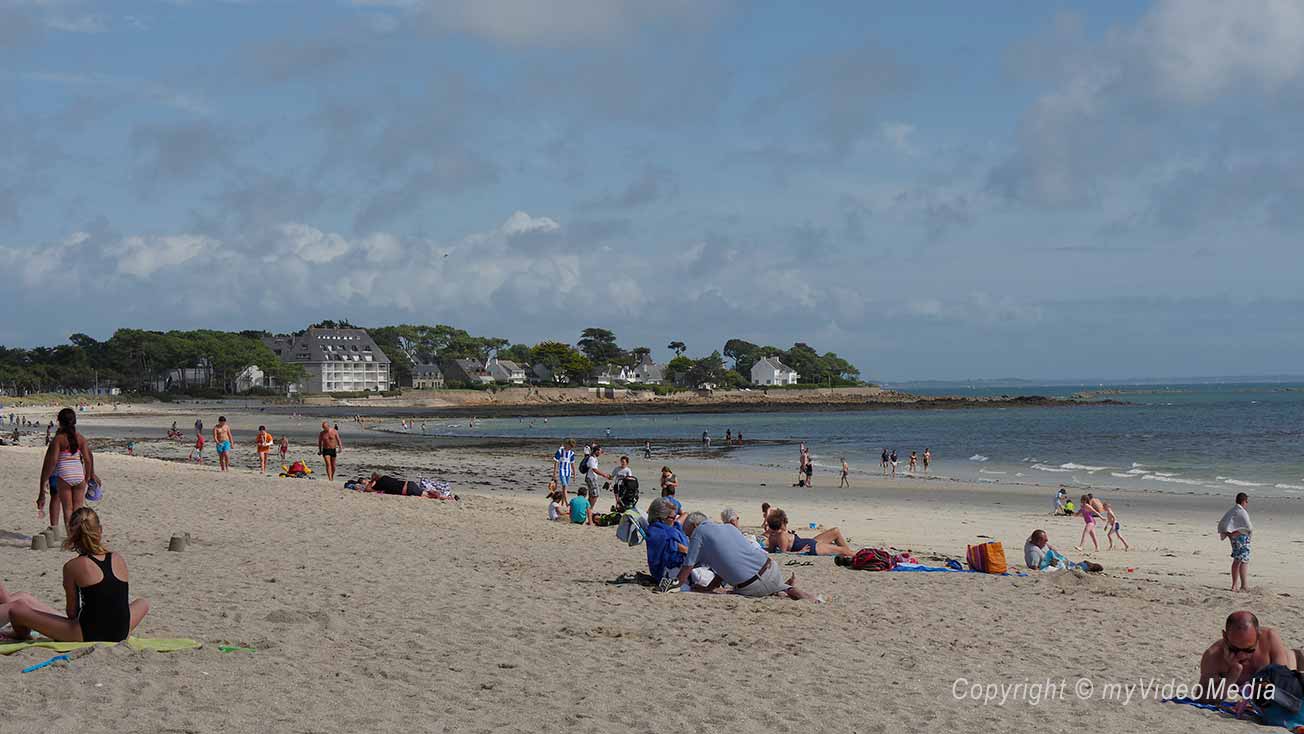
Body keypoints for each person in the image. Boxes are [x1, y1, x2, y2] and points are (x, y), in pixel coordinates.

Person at [2, 508, 150, 643]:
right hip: (121, 632)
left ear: (71, 534)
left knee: (16, 610)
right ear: (100, 530)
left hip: (88, 634)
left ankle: (21, 635)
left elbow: (72, 612)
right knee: (142, 603)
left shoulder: (72, 566)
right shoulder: (118, 558)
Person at [676, 513, 813, 600]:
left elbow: (688, 566)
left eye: (689, 535)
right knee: (774, 587)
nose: (690, 538)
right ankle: (788, 589)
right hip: (772, 568)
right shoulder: (729, 528)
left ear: (695, 525)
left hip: (751, 586)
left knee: (733, 591)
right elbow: (726, 564)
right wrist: (709, 588)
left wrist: (674, 586)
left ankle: (782, 589)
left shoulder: (699, 532)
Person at [1198, 612, 1297, 701]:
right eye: (1234, 649)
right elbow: (1202, 697)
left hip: (1295, 661)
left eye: (1249, 650)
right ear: (1225, 636)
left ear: (1258, 636)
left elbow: (1284, 684)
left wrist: (1255, 700)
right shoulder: (1213, 655)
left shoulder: (1269, 638)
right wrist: (1233, 674)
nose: (1242, 656)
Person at [39, 407, 98, 531]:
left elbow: (53, 462)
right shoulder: (80, 438)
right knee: (78, 509)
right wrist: (87, 476)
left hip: (64, 476)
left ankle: (70, 535)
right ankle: (79, 534)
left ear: (59, 421)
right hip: (79, 475)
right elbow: (88, 459)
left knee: (68, 509)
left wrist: (45, 479)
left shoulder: (58, 439)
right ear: (74, 421)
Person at [762, 509, 854, 557]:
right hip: (812, 548)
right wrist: (799, 552)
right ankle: (853, 555)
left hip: (810, 542)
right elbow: (784, 553)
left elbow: (771, 550)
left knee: (835, 531)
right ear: (782, 523)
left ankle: (849, 555)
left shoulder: (772, 536)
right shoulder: (781, 535)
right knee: (843, 550)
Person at [646, 497, 690, 584]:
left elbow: (681, 519)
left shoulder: (657, 529)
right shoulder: (662, 534)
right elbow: (685, 550)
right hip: (668, 571)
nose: (674, 520)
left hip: (667, 569)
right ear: (661, 518)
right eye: (673, 518)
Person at [1218, 493, 1253, 592]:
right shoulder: (1241, 511)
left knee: (1238, 560)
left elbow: (1223, 524)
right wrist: (1234, 533)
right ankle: (1241, 585)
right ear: (1244, 501)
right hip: (1242, 538)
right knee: (1242, 560)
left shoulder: (1232, 510)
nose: (1247, 504)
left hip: (1235, 538)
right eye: (1246, 502)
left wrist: (1229, 533)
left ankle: (1237, 585)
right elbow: (1248, 527)